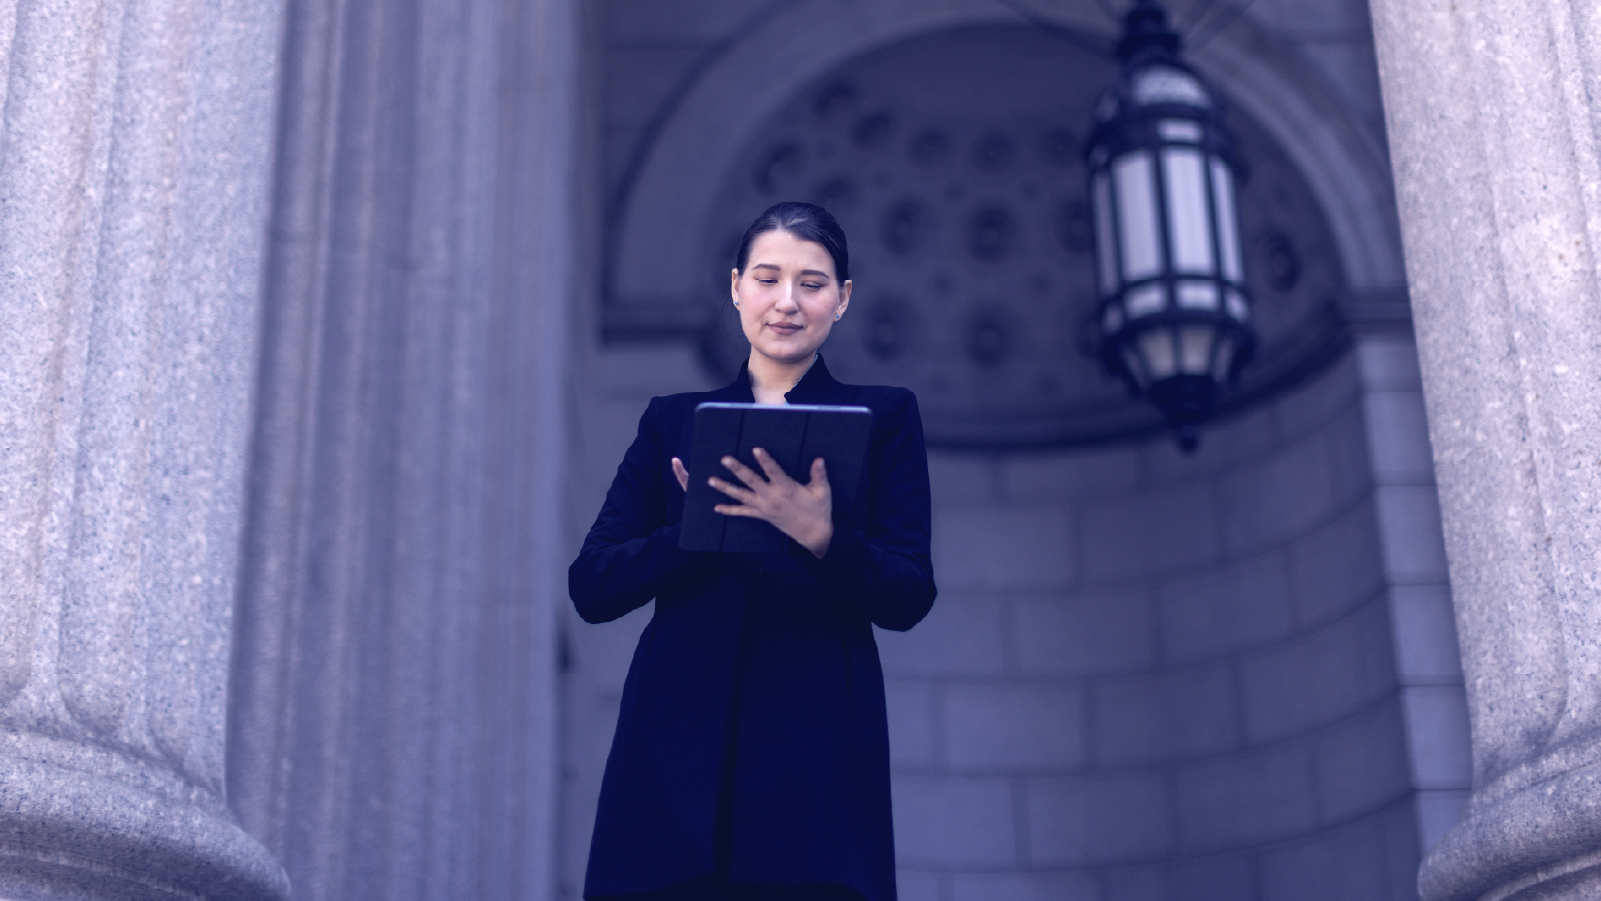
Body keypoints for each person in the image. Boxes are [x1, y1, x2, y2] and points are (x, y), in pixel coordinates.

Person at [569, 202, 937, 901]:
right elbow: (592, 583)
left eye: (812, 282)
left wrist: (820, 535)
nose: (786, 302)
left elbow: (908, 589)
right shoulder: (671, 419)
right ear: (735, 286)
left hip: (814, 759)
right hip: (672, 755)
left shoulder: (884, 416)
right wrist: (694, 532)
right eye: (767, 279)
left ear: (843, 298)